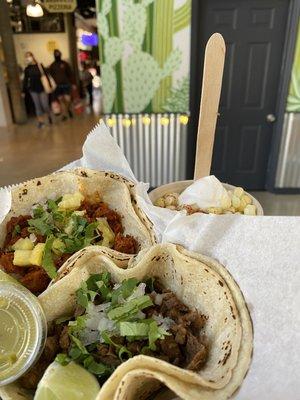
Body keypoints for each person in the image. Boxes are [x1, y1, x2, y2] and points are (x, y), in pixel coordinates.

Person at [22, 52, 52, 128]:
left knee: (45, 105)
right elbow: (25, 80)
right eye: (26, 57)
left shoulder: (39, 65)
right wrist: (23, 91)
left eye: (29, 56)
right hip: (33, 90)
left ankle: (49, 116)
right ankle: (41, 122)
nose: (28, 58)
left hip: (42, 88)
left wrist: (50, 85)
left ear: (32, 56)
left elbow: (46, 76)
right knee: (37, 106)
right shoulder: (27, 69)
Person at [49, 49, 74, 120]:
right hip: (57, 87)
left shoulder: (65, 64)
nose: (57, 55)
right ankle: (65, 115)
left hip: (66, 85)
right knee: (61, 101)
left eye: (58, 53)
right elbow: (51, 77)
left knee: (68, 100)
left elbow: (70, 74)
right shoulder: (52, 66)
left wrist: (73, 83)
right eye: (55, 54)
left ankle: (68, 110)